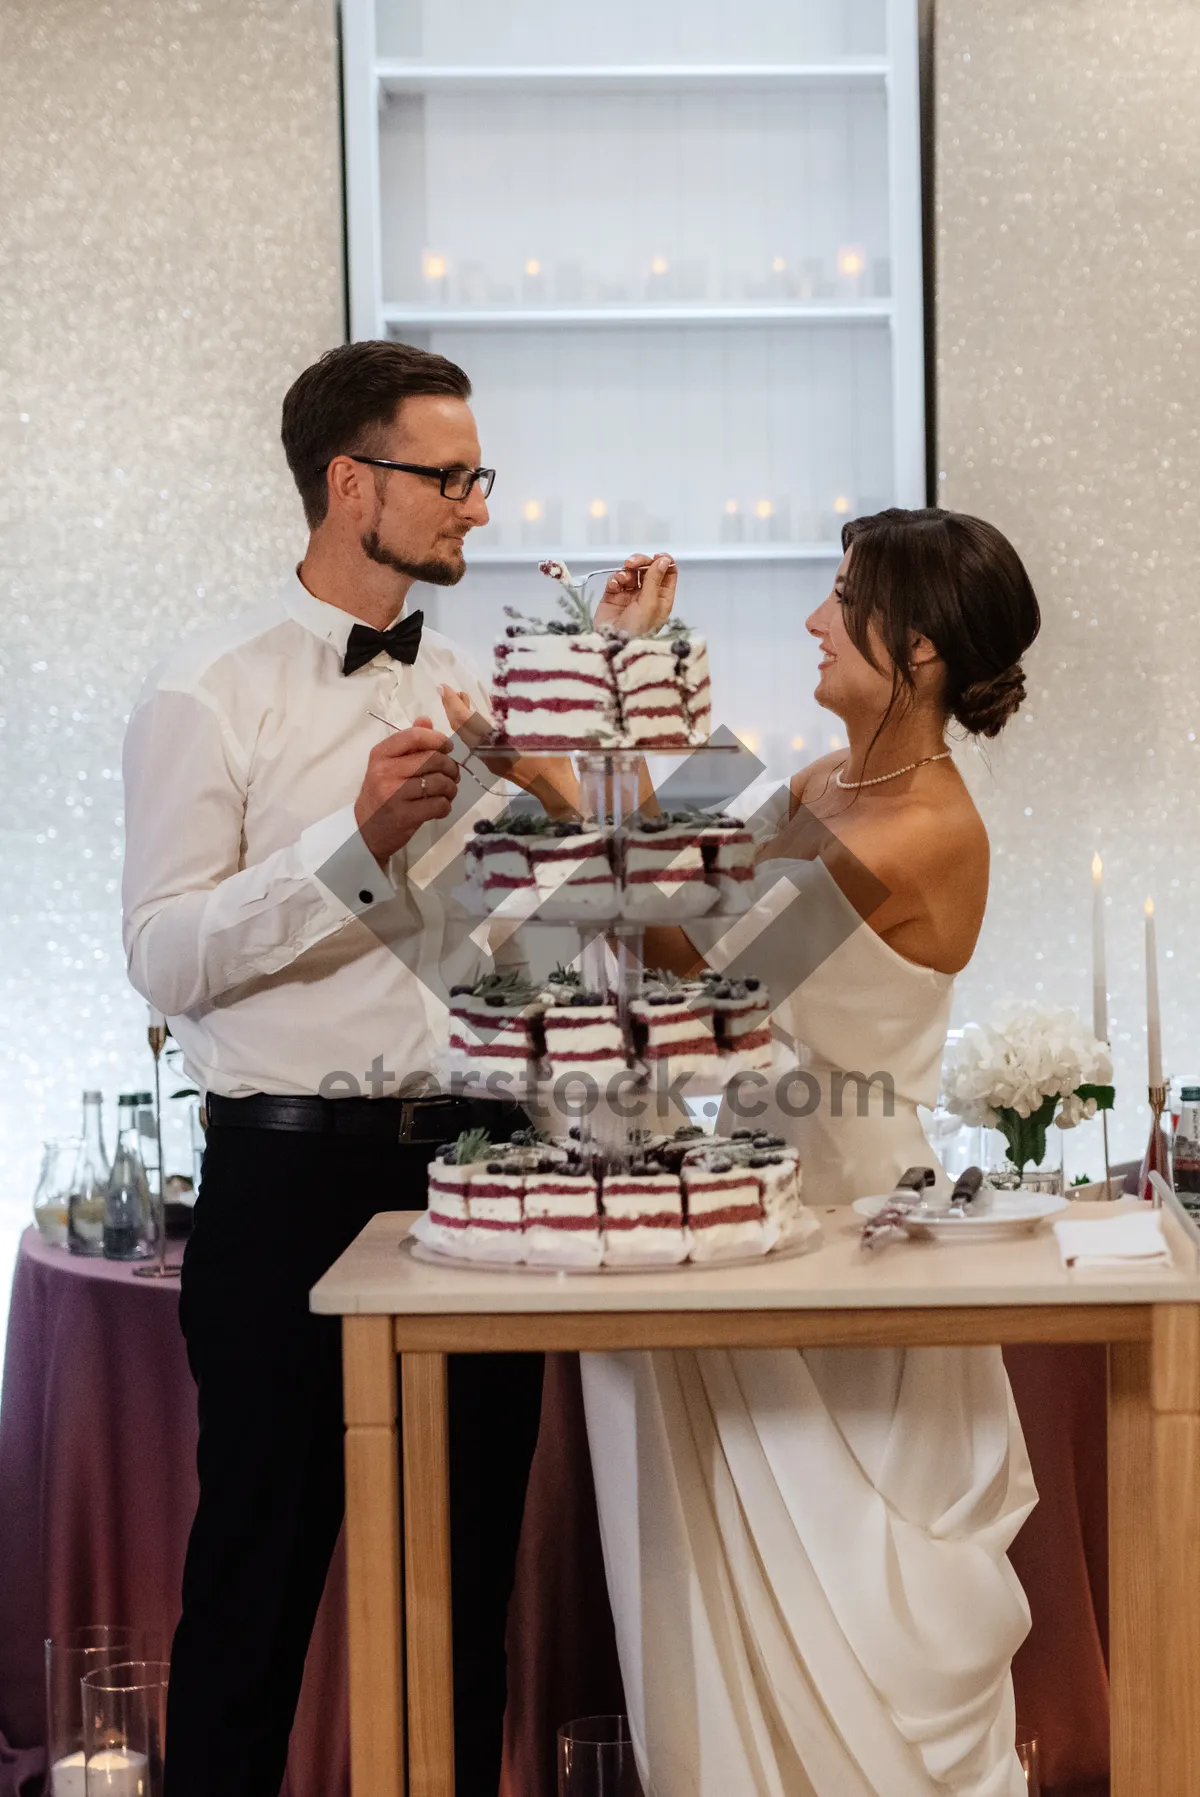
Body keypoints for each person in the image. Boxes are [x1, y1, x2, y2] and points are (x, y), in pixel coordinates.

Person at [120, 338, 672, 1797]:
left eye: (481, 476)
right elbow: (165, 962)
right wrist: (347, 854)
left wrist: (597, 726)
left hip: (480, 1177)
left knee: (462, 1591)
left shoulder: (482, 701)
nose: (478, 508)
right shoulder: (207, 690)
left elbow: (585, 941)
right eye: (451, 477)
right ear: (348, 481)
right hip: (289, 1181)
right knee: (256, 1581)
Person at [578, 506, 1045, 1796]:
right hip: (753, 1205)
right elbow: (697, 874)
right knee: (724, 1576)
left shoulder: (930, 825)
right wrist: (634, 660)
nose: (814, 619)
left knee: (850, 1593)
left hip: (853, 1232)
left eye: (844, 598)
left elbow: (701, 951)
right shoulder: (824, 786)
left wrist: (582, 736)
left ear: (924, 650)